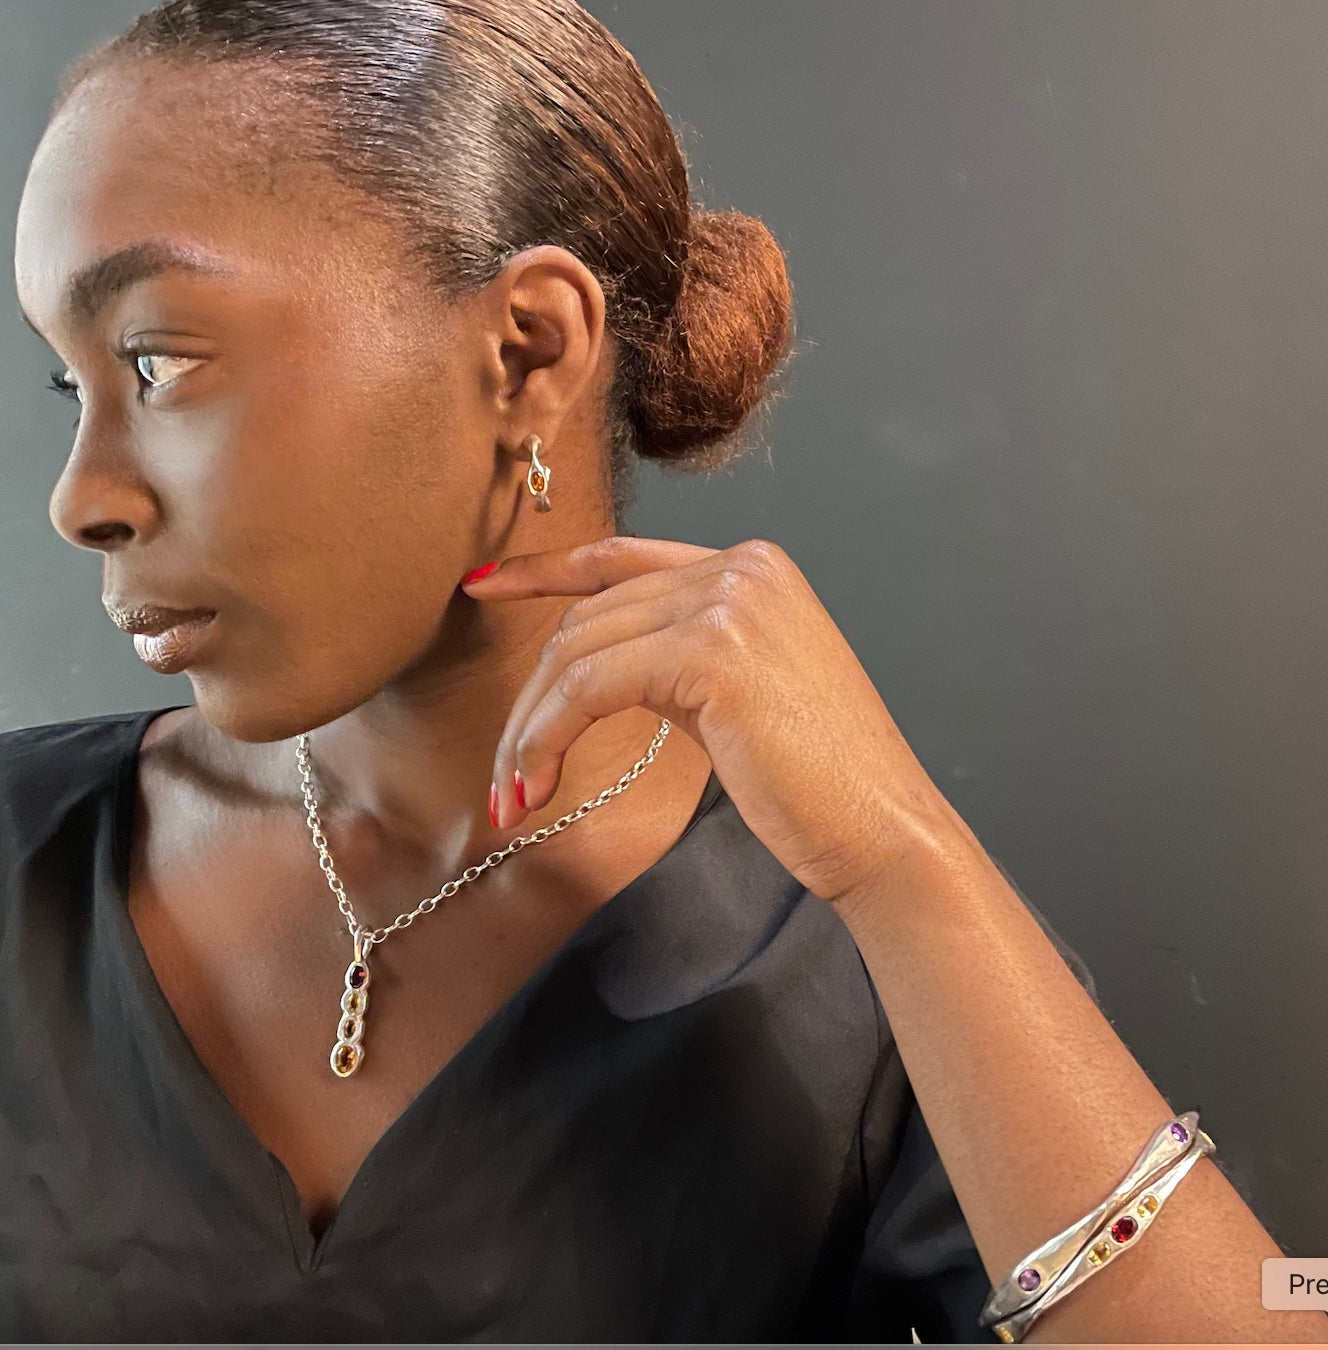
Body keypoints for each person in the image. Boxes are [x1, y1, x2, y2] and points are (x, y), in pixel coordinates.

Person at [3, 0, 1322, 1342]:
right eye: (70, 386)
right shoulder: (24, 853)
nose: (80, 499)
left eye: (159, 361)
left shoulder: (865, 967)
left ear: (526, 352)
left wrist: (903, 862)